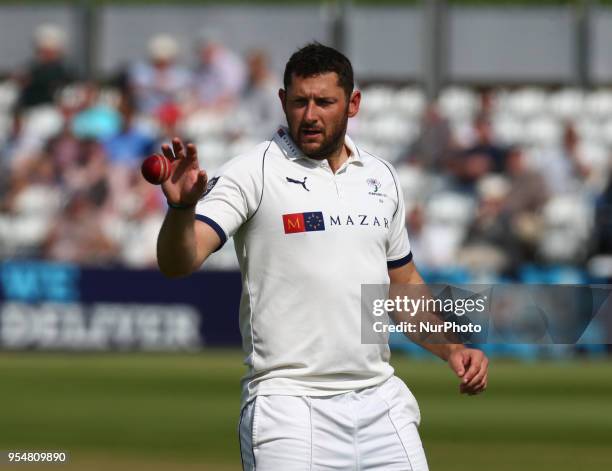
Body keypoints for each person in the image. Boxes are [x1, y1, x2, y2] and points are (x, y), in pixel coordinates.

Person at [155, 43, 488, 471]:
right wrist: (182, 210)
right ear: (282, 101)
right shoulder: (252, 171)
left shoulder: (381, 176)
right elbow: (178, 261)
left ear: (353, 104)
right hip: (289, 406)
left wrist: (452, 347)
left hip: (379, 401)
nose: (310, 115)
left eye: (324, 102)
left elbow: (401, 284)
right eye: (299, 102)